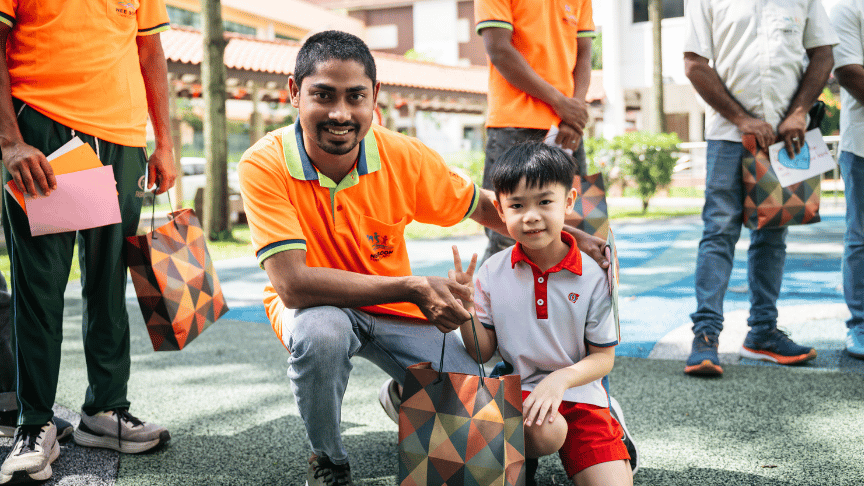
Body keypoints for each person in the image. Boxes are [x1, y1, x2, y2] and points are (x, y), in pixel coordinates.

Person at [236, 30, 613, 486]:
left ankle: (403, 394)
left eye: (355, 96)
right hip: (320, 307)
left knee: (474, 399)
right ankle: (329, 458)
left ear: (375, 95)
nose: (340, 113)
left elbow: (482, 205)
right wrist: (414, 286)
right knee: (322, 334)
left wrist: (573, 235)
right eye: (323, 95)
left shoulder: (402, 155)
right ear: (295, 93)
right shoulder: (263, 163)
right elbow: (293, 286)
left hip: (393, 309)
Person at [0, 0, 176, 482]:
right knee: (39, 288)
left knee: (109, 282)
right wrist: (10, 140)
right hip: (43, 129)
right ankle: (34, 423)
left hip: (122, 140)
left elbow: (150, 51)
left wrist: (165, 142)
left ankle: (105, 409)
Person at [453, 141, 632, 486]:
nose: (531, 216)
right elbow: (482, 352)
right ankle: (524, 455)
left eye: (545, 202)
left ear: (569, 201)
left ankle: (611, 420)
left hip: (581, 396)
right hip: (519, 397)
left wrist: (559, 380)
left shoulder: (595, 275)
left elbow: (603, 359)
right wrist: (466, 311)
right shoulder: (491, 272)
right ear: (500, 211)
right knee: (546, 430)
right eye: (517, 205)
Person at [682, 0, 837, 376]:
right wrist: (741, 119)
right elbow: (695, 64)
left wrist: (799, 112)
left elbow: (822, 54)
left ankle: (763, 332)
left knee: (773, 232)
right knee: (719, 231)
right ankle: (705, 336)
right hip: (729, 136)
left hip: (786, 138)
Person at [475, 0, 595, 262]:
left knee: (586, 230)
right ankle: (490, 292)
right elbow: (499, 50)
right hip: (513, 125)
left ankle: (587, 293)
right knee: (507, 236)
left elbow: (585, 55)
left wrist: (574, 115)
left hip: (568, 129)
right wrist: (562, 104)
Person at [830, 0, 864, 360]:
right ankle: (861, 324)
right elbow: (849, 73)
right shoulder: (849, 7)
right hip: (863, 146)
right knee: (862, 237)